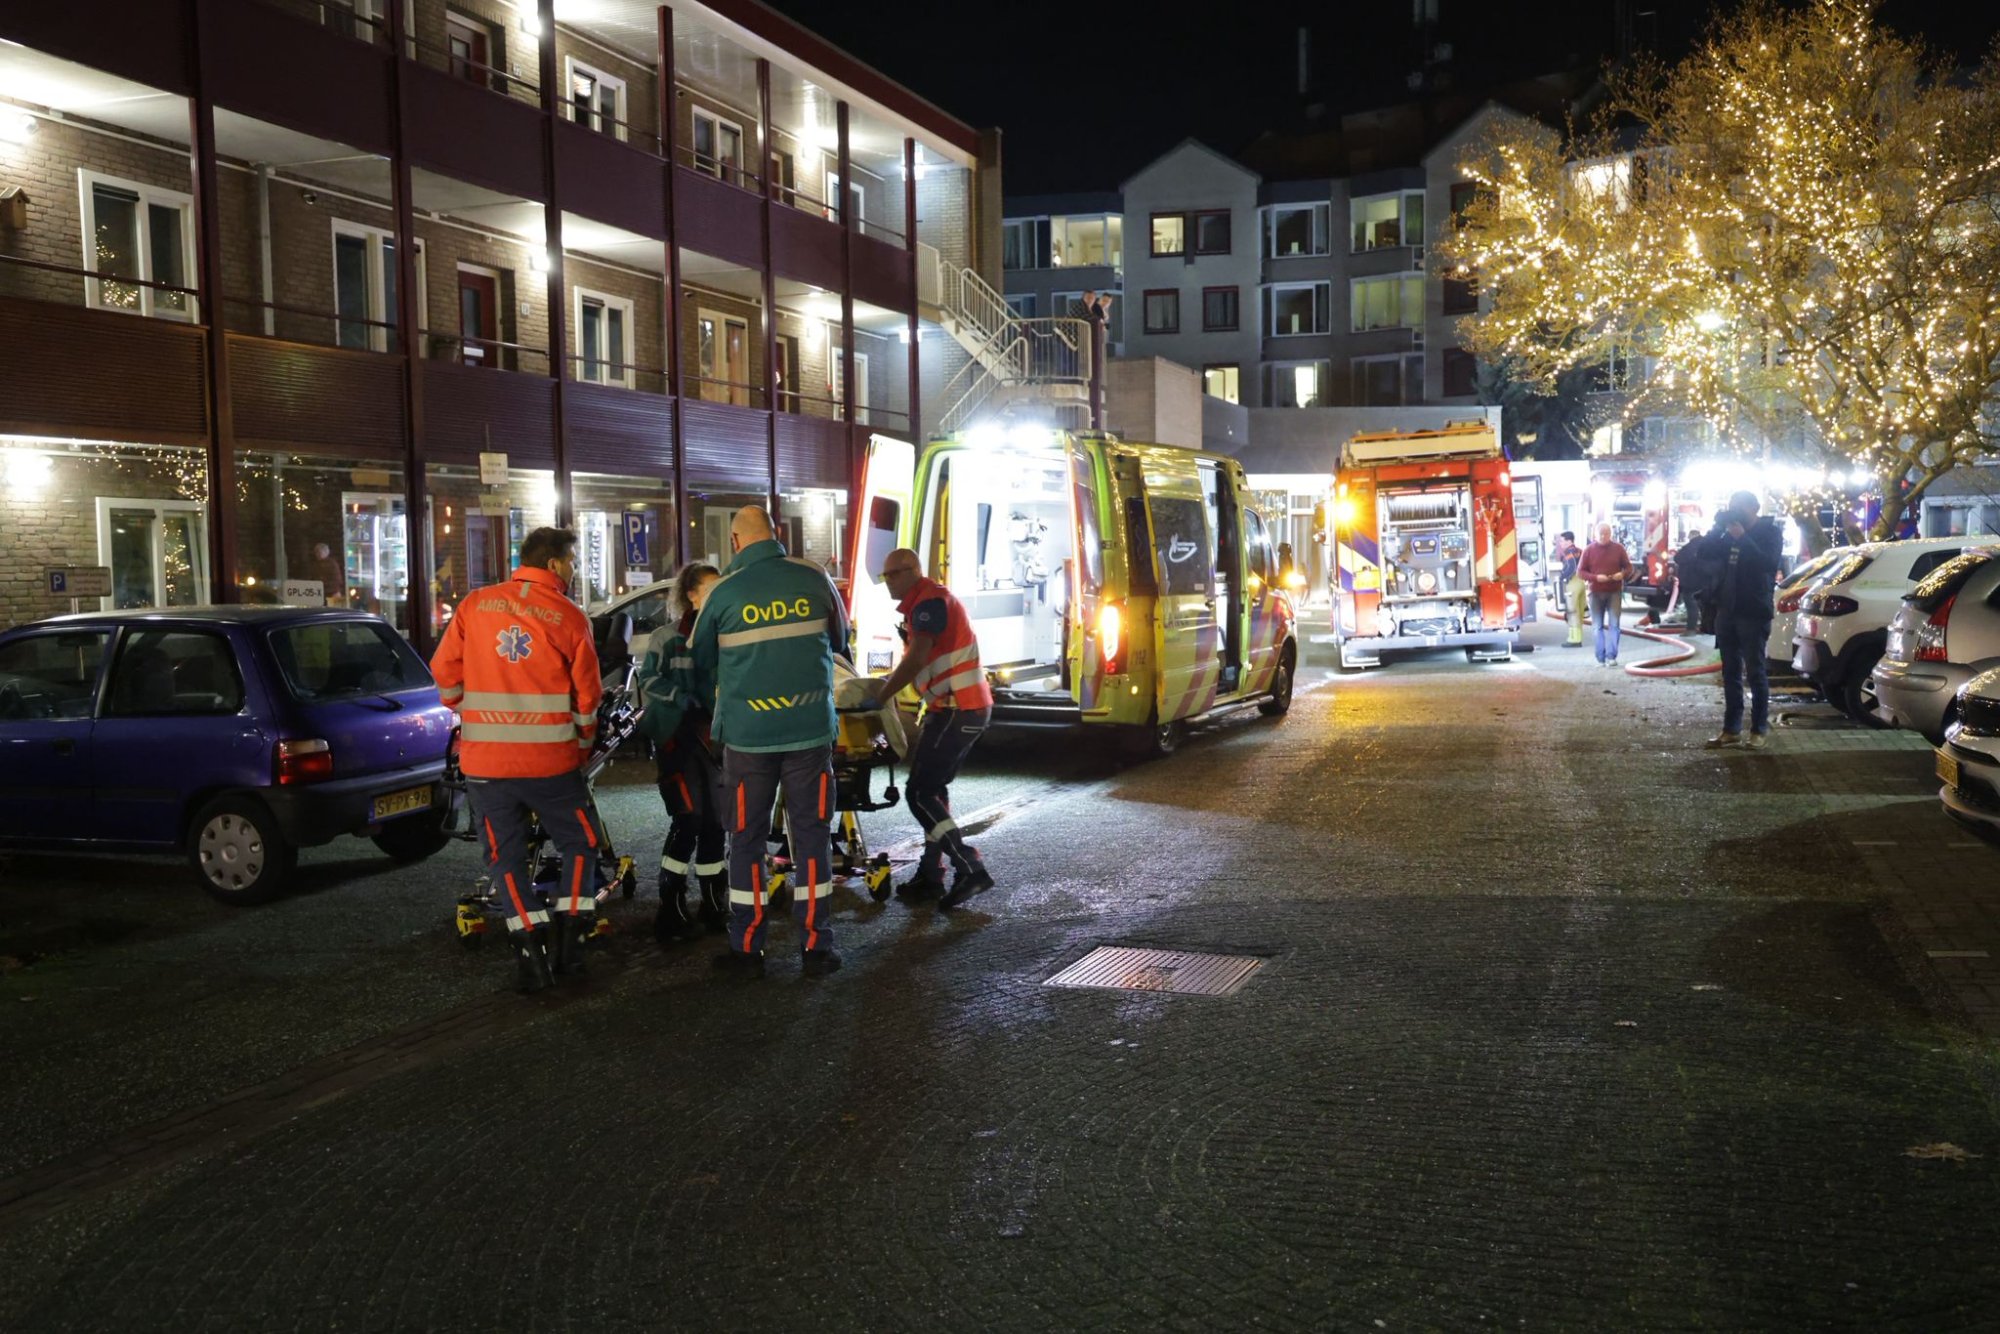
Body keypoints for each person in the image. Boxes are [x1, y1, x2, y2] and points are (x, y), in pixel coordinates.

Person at [430, 527, 605, 993]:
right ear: (553, 564)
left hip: (487, 765)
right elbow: (588, 697)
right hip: (551, 762)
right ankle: (571, 942)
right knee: (580, 844)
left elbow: (444, 676)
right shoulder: (568, 616)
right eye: (570, 561)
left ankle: (530, 950)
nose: (572, 569)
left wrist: (470, 709)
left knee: (504, 858)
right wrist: (581, 743)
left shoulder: (474, 605)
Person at [689, 507, 849, 977]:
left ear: (736, 543)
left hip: (748, 737)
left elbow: (699, 658)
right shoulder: (815, 577)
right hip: (809, 734)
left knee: (746, 841)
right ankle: (817, 948)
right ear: (776, 536)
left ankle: (748, 947)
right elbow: (839, 639)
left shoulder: (723, 593)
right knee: (812, 839)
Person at [861, 548, 996, 911]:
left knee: (919, 793)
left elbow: (918, 656)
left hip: (959, 708)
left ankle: (969, 866)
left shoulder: (930, 602)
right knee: (932, 790)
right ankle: (931, 873)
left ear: (912, 572)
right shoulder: (925, 603)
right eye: (884, 575)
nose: (887, 581)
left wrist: (882, 695)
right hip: (953, 707)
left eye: (893, 574)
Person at [634, 562, 726, 944]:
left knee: (716, 824)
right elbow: (649, 678)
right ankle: (669, 905)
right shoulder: (666, 638)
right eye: (710, 589)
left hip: (714, 740)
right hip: (677, 739)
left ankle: (712, 901)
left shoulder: (725, 637)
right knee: (688, 818)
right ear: (691, 593)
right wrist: (679, 698)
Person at [1703, 490, 1785, 750]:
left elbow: (1768, 564)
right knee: (1730, 672)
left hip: (1752, 611)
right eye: (1731, 506)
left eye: (1738, 507)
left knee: (1755, 672)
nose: (1734, 511)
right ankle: (1731, 729)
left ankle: (1759, 729)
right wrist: (1718, 528)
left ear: (1754, 508)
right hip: (1727, 610)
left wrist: (1744, 538)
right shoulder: (1727, 534)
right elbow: (1702, 553)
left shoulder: (1769, 532)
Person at [1577, 523, 1635, 666]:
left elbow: (1629, 567)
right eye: (1601, 533)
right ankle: (1600, 658)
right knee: (1597, 627)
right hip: (1595, 593)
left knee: (1614, 625)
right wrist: (1596, 578)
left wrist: (1621, 574)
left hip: (1614, 591)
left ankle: (1611, 656)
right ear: (1595, 535)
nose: (1603, 536)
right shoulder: (1589, 550)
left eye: (1606, 533)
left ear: (1611, 534)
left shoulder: (1618, 549)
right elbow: (1580, 572)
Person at [1552, 531, 1585, 648]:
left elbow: (1571, 567)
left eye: (1562, 540)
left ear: (1569, 541)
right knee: (1579, 611)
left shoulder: (1568, 552)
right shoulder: (1580, 551)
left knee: (1572, 611)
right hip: (1581, 582)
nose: (1560, 543)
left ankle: (1574, 639)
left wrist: (1561, 577)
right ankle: (1578, 637)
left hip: (1572, 583)